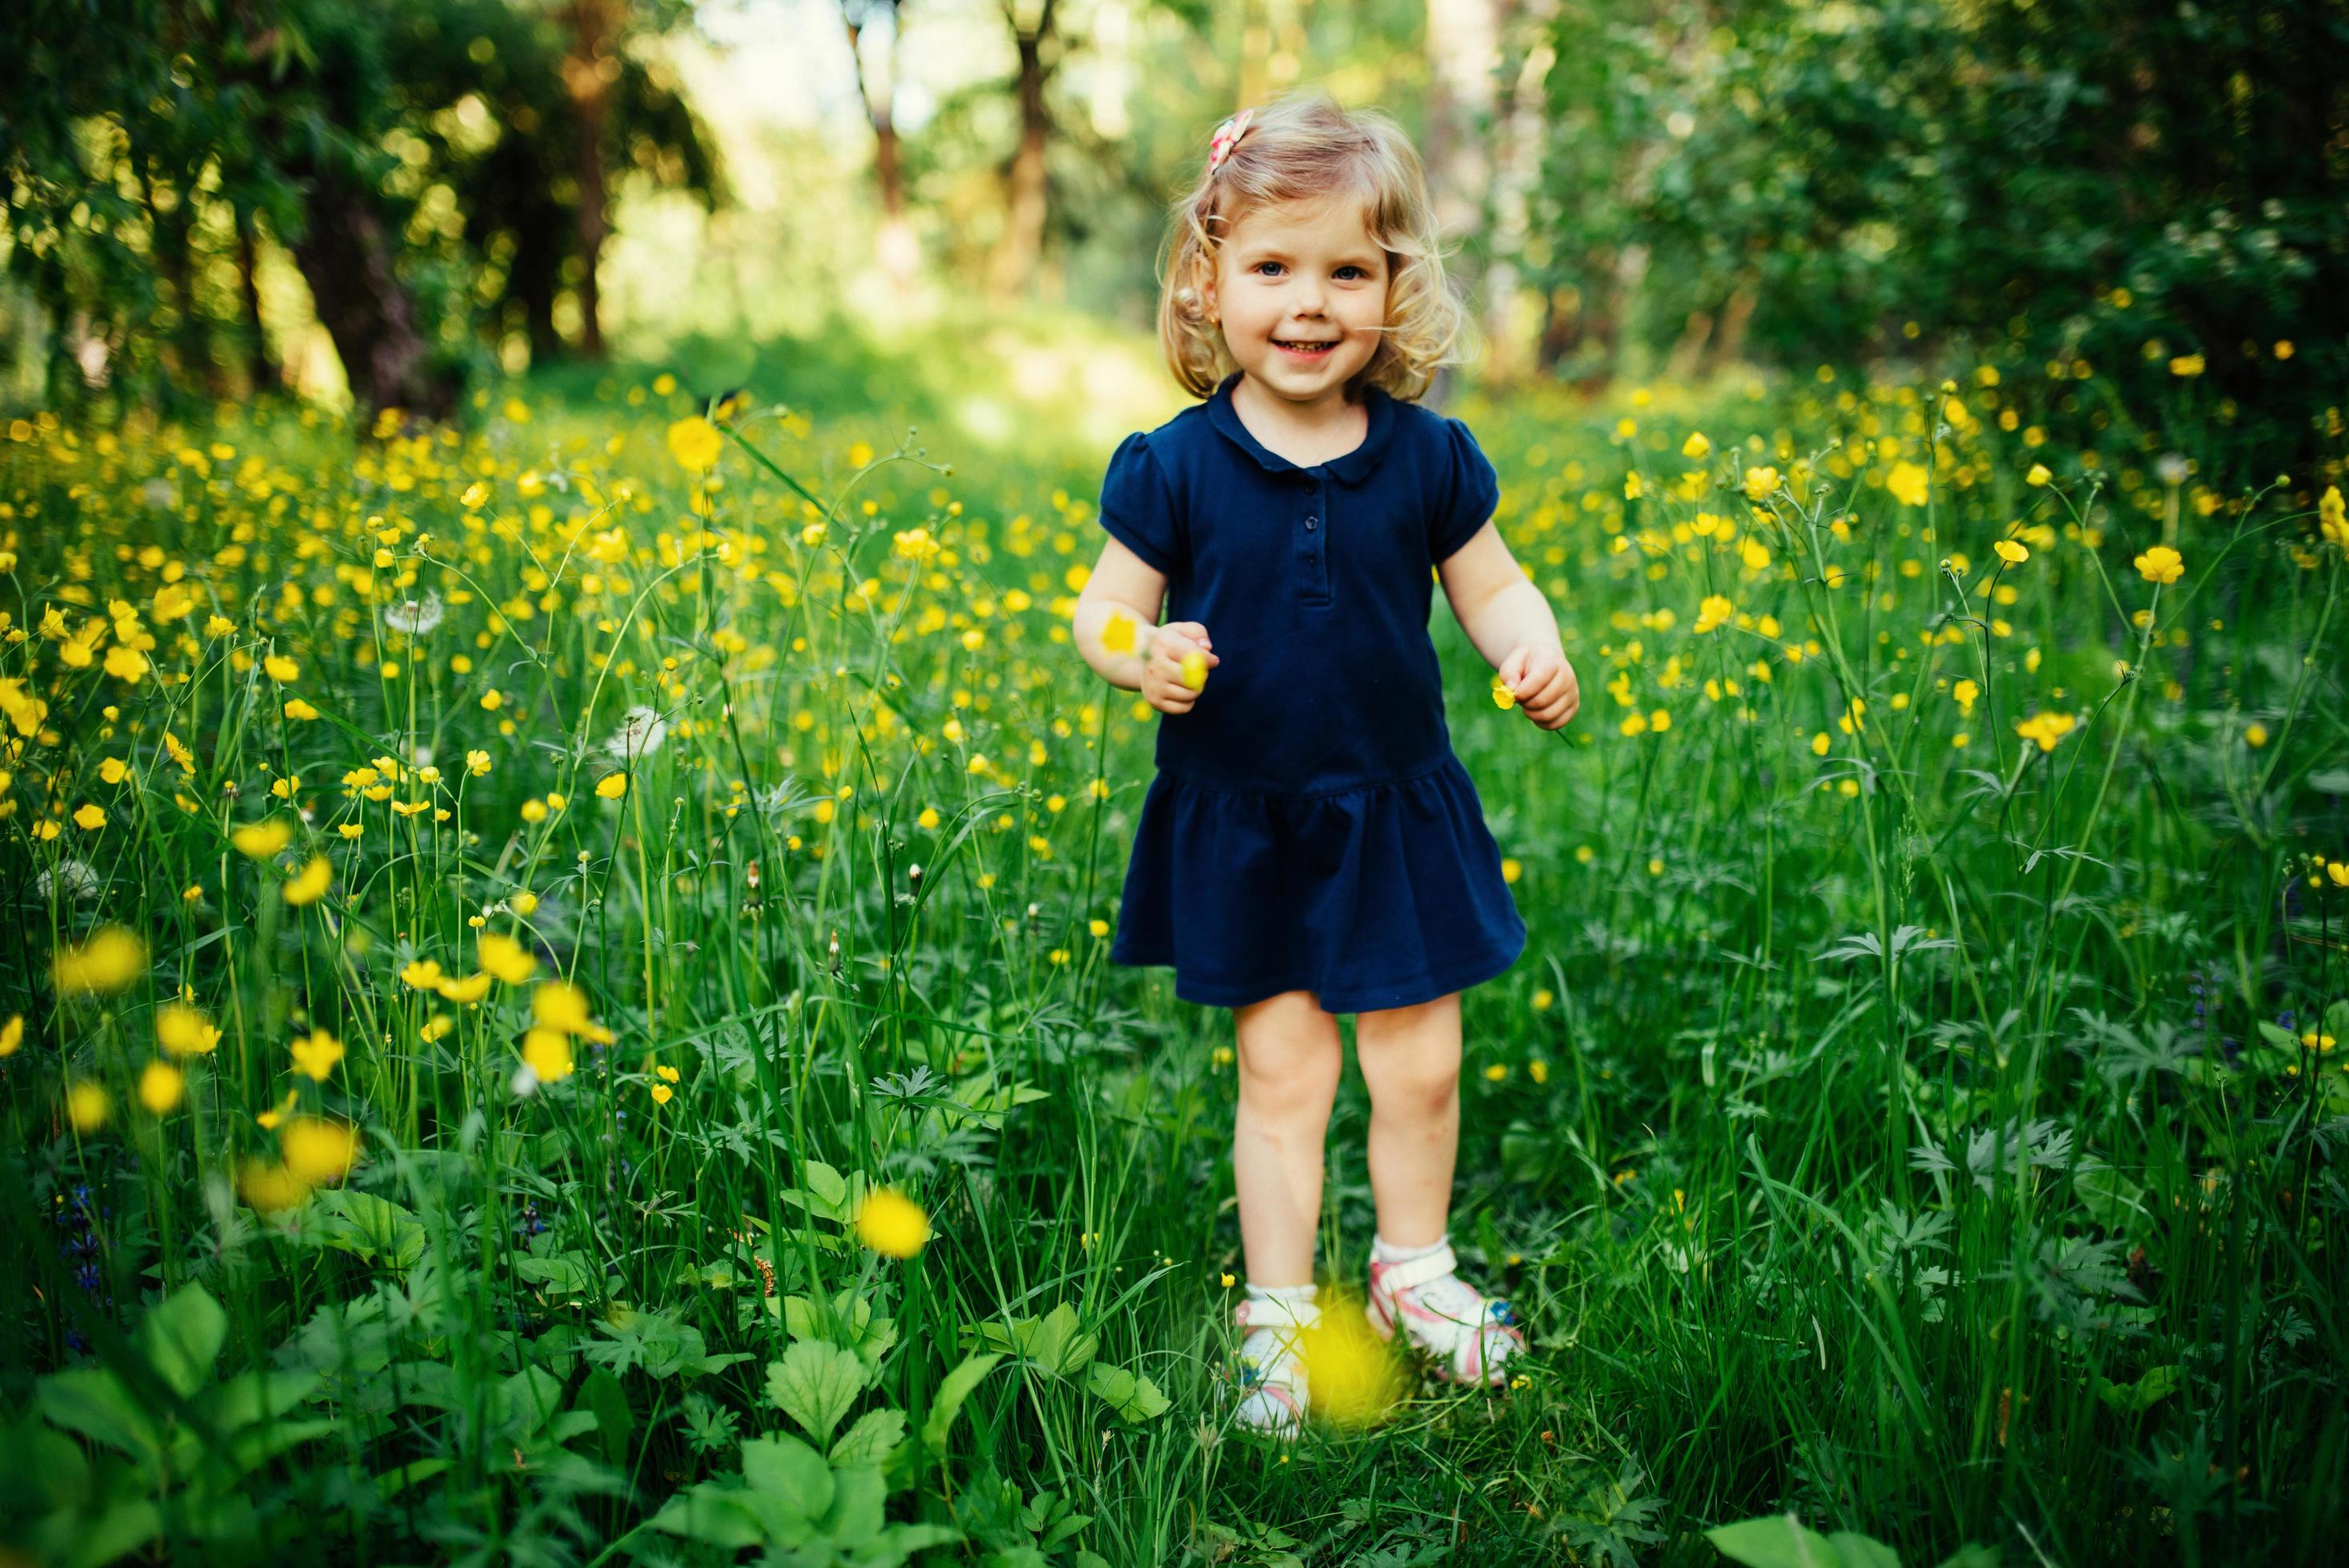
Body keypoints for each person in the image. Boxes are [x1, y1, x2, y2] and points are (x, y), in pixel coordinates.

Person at [1070, 90, 1582, 1437]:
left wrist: (1531, 650)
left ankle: (1415, 1274)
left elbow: (1495, 586)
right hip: (1250, 820)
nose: (1309, 305)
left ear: (1393, 289)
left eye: (1347, 272)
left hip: (1395, 814)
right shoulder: (1173, 467)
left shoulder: (1426, 455)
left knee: (1421, 1067)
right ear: (1209, 282)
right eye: (1273, 269)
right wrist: (1145, 653)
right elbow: (1097, 614)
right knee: (1284, 1080)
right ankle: (1282, 1318)